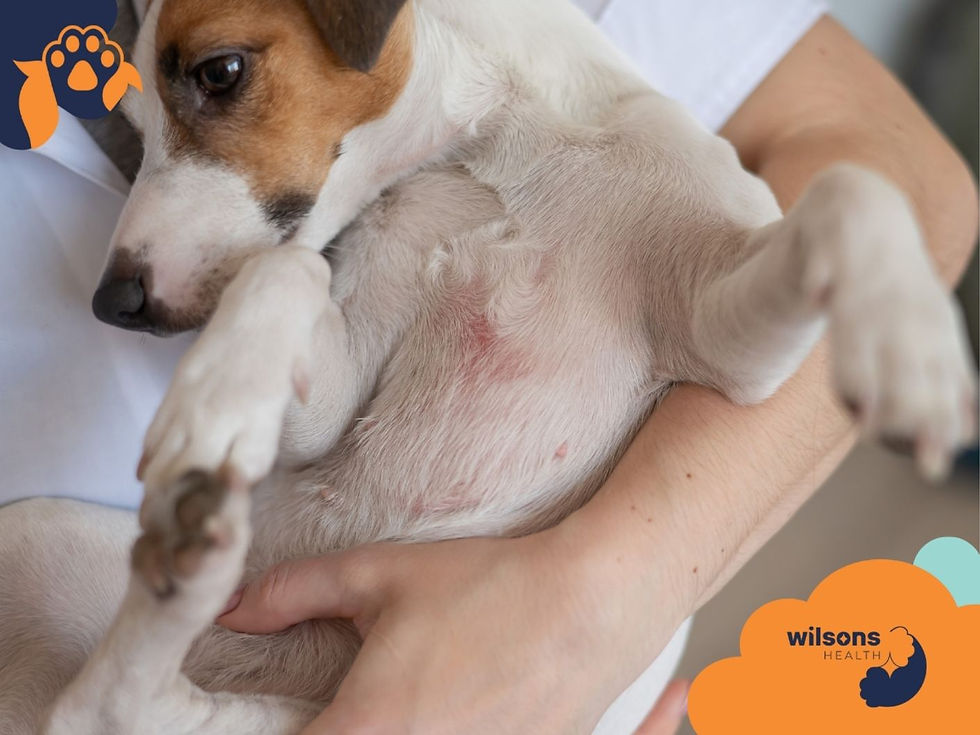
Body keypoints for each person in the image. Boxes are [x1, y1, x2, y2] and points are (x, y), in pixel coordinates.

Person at [0, 1, 975, 733]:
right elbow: (320, 409)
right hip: (179, 623)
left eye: (217, 81)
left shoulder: (637, 158)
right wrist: (273, 301)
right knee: (27, 560)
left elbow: (803, 279)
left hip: (494, 680)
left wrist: (589, 605)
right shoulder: (388, 189)